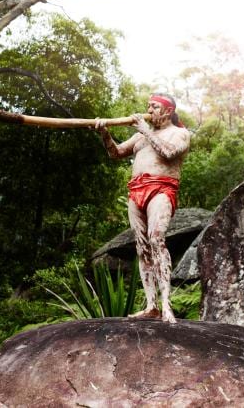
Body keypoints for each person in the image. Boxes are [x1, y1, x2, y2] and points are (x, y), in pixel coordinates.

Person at [94, 93, 190, 323]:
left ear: (167, 111)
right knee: (142, 246)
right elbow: (115, 153)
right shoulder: (140, 136)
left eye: (154, 106)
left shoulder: (179, 133)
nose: (150, 109)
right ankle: (151, 306)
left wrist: (145, 129)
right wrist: (104, 133)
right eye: (148, 106)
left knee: (156, 238)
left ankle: (166, 305)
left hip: (161, 189)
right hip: (136, 191)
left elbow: (168, 153)